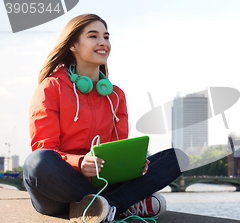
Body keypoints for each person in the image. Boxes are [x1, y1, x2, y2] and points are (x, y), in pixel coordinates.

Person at [23, 14, 187, 223]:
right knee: (36, 161)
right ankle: (122, 204)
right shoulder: (51, 87)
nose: (103, 42)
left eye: (106, 37)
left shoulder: (115, 95)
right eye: (93, 36)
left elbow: (117, 151)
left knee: (178, 157)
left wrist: (133, 166)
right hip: (60, 188)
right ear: (73, 45)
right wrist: (81, 163)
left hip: (102, 182)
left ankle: (108, 206)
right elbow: (44, 147)